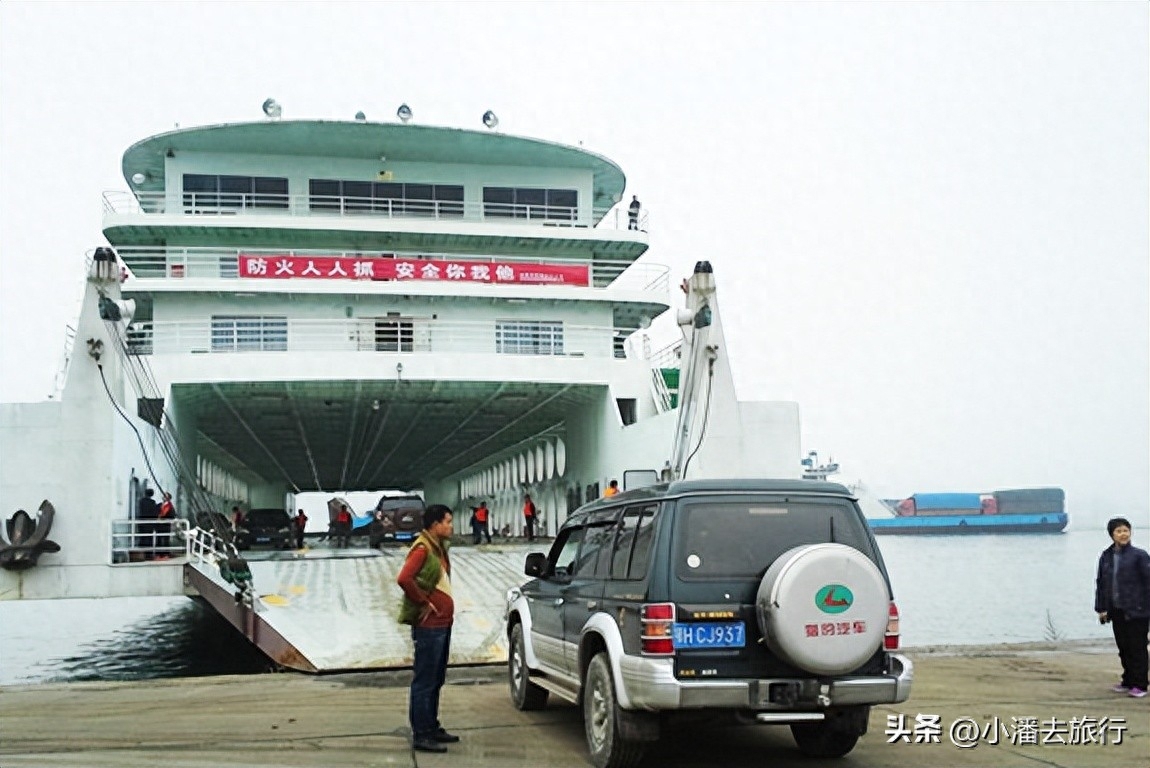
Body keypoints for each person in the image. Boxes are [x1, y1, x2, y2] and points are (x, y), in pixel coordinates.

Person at [396, 504, 459, 753]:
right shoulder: (422, 549)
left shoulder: (438, 548)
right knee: (425, 680)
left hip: (443, 624)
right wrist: (425, 602)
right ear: (435, 525)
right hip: (429, 626)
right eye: (448, 522)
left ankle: (431, 726)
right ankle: (421, 733)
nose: (451, 526)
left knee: (436, 679)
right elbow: (404, 578)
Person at [1094, 516, 1150, 698]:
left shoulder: (1140, 556)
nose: (1123, 534)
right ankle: (1128, 680)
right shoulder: (1106, 556)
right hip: (1116, 610)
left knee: (1137, 647)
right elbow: (1101, 583)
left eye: (1126, 530)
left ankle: (1140, 685)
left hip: (1138, 610)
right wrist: (1101, 608)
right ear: (1112, 535)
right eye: (1119, 531)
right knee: (1123, 647)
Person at [137, 488, 159, 556]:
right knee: (149, 538)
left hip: (142, 521)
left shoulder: (141, 501)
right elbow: (154, 512)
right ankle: (148, 554)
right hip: (150, 523)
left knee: (142, 537)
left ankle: (141, 553)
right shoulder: (152, 502)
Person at [156, 491, 176, 557]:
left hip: (166, 525)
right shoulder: (160, 505)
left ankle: (166, 553)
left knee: (166, 539)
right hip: (159, 525)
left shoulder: (170, 506)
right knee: (159, 538)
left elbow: (172, 515)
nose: (164, 497)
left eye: (165, 496)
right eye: (164, 496)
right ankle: (159, 553)